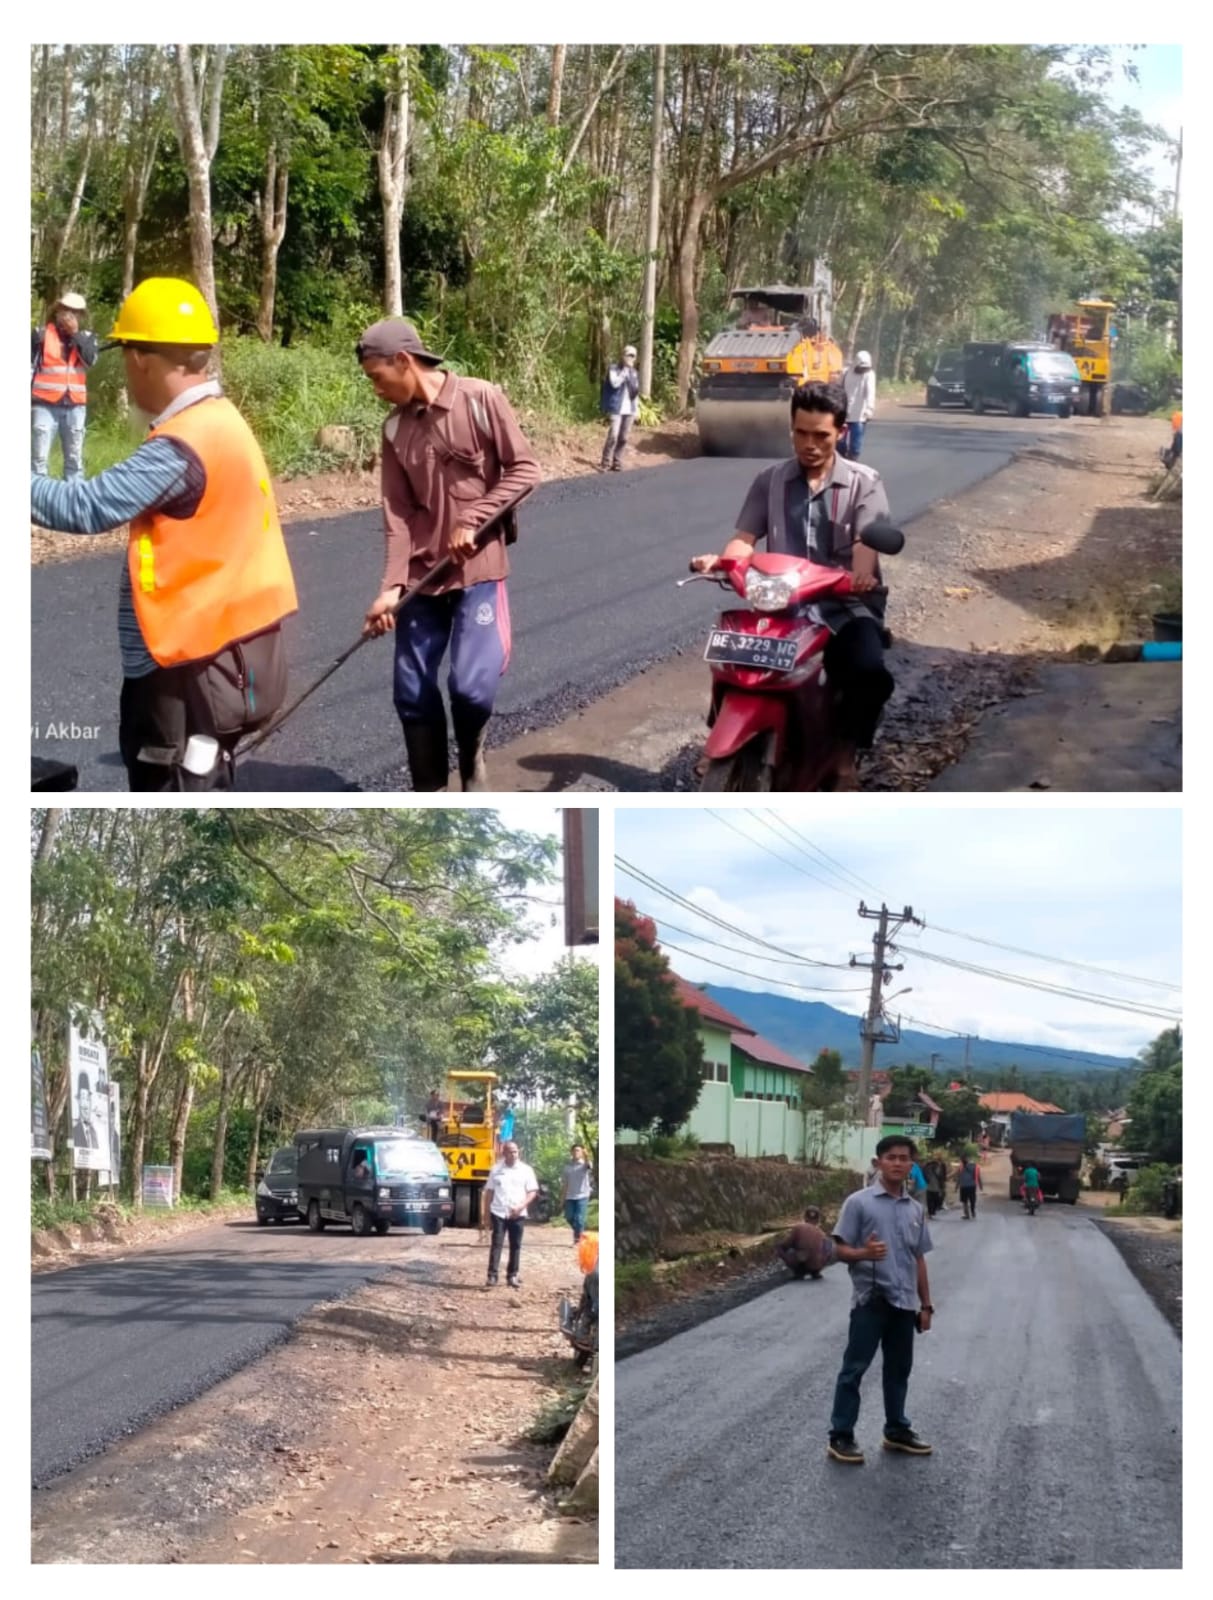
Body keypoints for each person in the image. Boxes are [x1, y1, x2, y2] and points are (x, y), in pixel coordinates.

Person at [30, 277, 298, 792]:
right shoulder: (222, 419)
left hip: (182, 664)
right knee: (205, 777)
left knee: (169, 782)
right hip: (232, 651)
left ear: (139, 359)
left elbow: (86, 506)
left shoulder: (181, 446)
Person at [358, 319, 542, 792]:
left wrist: (474, 518)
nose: (375, 389)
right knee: (411, 692)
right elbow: (397, 515)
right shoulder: (394, 429)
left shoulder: (480, 399)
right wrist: (390, 588)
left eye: (378, 377)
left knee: (470, 689)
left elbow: (525, 470)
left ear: (404, 361)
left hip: (478, 570)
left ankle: (472, 759)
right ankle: (432, 794)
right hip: (422, 578)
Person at [690, 380, 896, 789]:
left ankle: (844, 757)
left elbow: (865, 542)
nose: (810, 444)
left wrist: (861, 574)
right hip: (783, 603)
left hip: (845, 603)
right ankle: (722, 734)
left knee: (867, 670)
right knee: (732, 654)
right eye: (801, 433)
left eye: (821, 435)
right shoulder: (769, 481)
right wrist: (723, 560)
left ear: (841, 432)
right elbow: (744, 538)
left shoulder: (865, 482)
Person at [826, 1135, 934, 1465]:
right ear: (879, 1162)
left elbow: (918, 1258)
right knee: (854, 1369)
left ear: (912, 1165)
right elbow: (837, 1250)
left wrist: (926, 1305)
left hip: (904, 1304)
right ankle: (841, 1435)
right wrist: (864, 1253)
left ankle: (896, 1429)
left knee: (899, 1370)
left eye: (904, 1158)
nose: (898, 1163)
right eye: (891, 1157)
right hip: (870, 1302)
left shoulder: (915, 1209)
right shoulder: (859, 1203)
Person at [32, 291, 97, 481]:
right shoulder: (40, 334)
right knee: (38, 459)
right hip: (43, 404)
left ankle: (73, 496)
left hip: (75, 406)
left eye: (75, 312)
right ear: (58, 310)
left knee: (74, 460)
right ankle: (36, 497)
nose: (70, 315)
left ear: (81, 315)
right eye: (67, 310)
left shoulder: (88, 337)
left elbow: (90, 361)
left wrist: (75, 334)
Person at [482, 1139, 539, 1289]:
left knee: (516, 1245)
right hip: (499, 1212)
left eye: (515, 1152)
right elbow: (489, 1192)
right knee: (496, 1244)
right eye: (510, 1152)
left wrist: (521, 1206)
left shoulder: (526, 1170)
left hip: (518, 1213)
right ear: (504, 1153)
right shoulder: (496, 1169)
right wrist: (486, 1215)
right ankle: (492, 1276)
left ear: (518, 1152)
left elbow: (532, 1191)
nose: (513, 1155)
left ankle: (512, 1275)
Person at [600, 343, 640, 471]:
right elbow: (615, 383)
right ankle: (606, 462)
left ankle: (617, 461)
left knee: (624, 437)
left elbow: (635, 393)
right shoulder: (614, 369)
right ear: (623, 356)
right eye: (629, 355)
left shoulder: (634, 373)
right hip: (616, 407)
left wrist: (637, 409)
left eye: (633, 356)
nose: (631, 358)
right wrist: (624, 372)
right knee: (613, 435)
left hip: (630, 409)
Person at [776, 1206, 835, 1279]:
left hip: (802, 1264)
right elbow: (828, 1249)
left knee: (780, 1247)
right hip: (816, 1266)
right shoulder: (821, 1233)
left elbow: (786, 1245)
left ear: (805, 1217)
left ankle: (798, 1272)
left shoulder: (798, 1227)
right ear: (818, 1220)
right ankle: (815, 1272)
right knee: (829, 1244)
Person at [840, 350, 876, 460]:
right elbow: (838, 389)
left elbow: (870, 393)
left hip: (859, 415)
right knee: (840, 442)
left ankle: (853, 461)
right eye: (861, 367)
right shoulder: (845, 372)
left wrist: (869, 409)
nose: (863, 370)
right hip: (844, 412)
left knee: (855, 445)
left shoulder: (869, 375)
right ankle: (841, 460)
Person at [561, 1143, 594, 1243]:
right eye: (574, 1150)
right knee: (569, 1217)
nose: (576, 1152)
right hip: (570, 1196)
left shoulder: (584, 1165)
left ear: (582, 1152)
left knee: (579, 1219)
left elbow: (589, 1165)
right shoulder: (567, 1167)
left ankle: (578, 1239)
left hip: (583, 1195)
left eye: (578, 1150)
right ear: (571, 1152)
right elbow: (565, 1184)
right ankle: (580, 1232)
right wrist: (562, 1199)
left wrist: (587, 1155)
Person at [72, 1072, 99, 1151]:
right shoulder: (74, 1131)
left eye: (88, 1099)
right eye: (83, 1098)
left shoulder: (93, 1132)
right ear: (78, 1101)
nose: (86, 1104)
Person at [955, 1152, 982, 1219]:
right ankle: (973, 1212)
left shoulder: (960, 1167)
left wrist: (956, 1187)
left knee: (965, 1201)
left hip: (964, 1186)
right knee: (972, 1200)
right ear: (968, 1159)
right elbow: (978, 1176)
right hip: (972, 1185)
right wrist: (980, 1185)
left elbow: (959, 1178)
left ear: (961, 1160)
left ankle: (967, 1215)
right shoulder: (975, 1166)